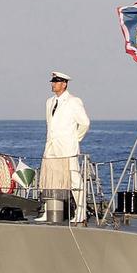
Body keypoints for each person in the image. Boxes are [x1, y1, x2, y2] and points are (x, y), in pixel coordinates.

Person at [40, 71, 91, 222]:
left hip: (67, 148)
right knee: (50, 179)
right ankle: (48, 210)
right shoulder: (49, 102)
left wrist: (75, 139)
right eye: (53, 81)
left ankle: (81, 212)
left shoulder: (73, 101)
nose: (53, 84)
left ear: (64, 84)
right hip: (51, 146)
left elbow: (85, 123)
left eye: (56, 82)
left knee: (74, 180)